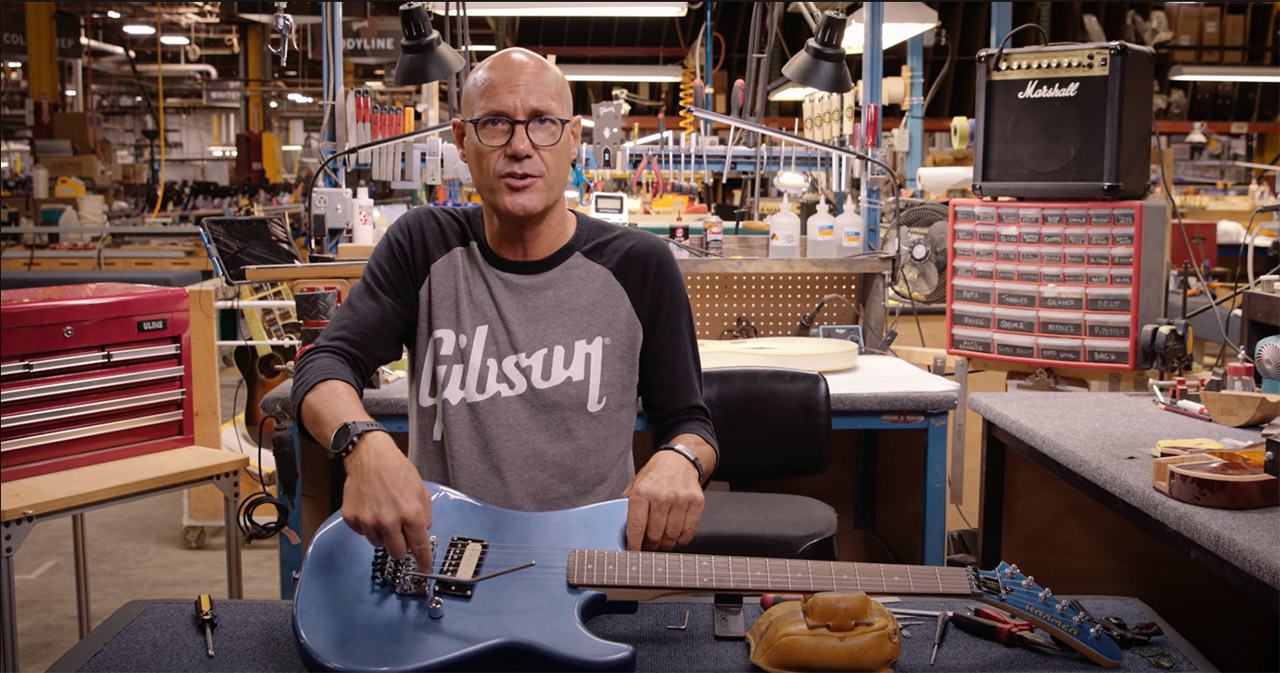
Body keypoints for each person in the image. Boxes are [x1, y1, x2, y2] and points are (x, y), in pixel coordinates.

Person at [292, 48, 717, 565]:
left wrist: (680, 460)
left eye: (543, 123)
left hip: (592, 568)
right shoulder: (422, 246)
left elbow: (691, 422)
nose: (520, 147)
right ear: (462, 141)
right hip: (445, 566)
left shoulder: (638, 265)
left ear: (573, 139)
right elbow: (324, 364)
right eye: (495, 124)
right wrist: (362, 444)